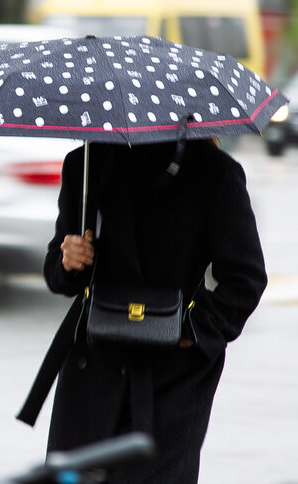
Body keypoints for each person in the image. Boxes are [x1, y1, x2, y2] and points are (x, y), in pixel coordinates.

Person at [17, 140, 267, 483]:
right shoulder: (86, 162)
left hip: (170, 376)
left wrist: (191, 331)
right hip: (93, 365)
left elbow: (245, 278)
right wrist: (68, 259)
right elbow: (60, 274)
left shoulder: (214, 170)